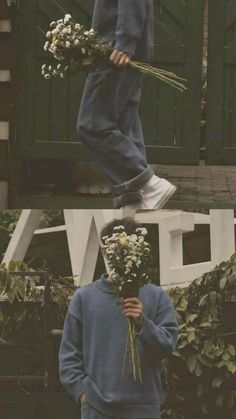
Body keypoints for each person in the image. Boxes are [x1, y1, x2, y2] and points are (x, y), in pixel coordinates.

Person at [59, 218, 179, 419]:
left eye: (130, 249)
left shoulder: (156, 296)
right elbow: (69, 355)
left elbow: (168, 345)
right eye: (116, 249)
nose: (123, 255)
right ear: (105, 251)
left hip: (145, 408)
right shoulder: (84, 298)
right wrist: (83, 393)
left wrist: (143, 323)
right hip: (97, 408)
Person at [76, 0, 176, 210]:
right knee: (125, 125)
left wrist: (125, 42)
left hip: (115, 53)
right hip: (122, 52)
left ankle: (148, 183)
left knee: (92, 126)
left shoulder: (120, 48)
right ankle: (133, 196)